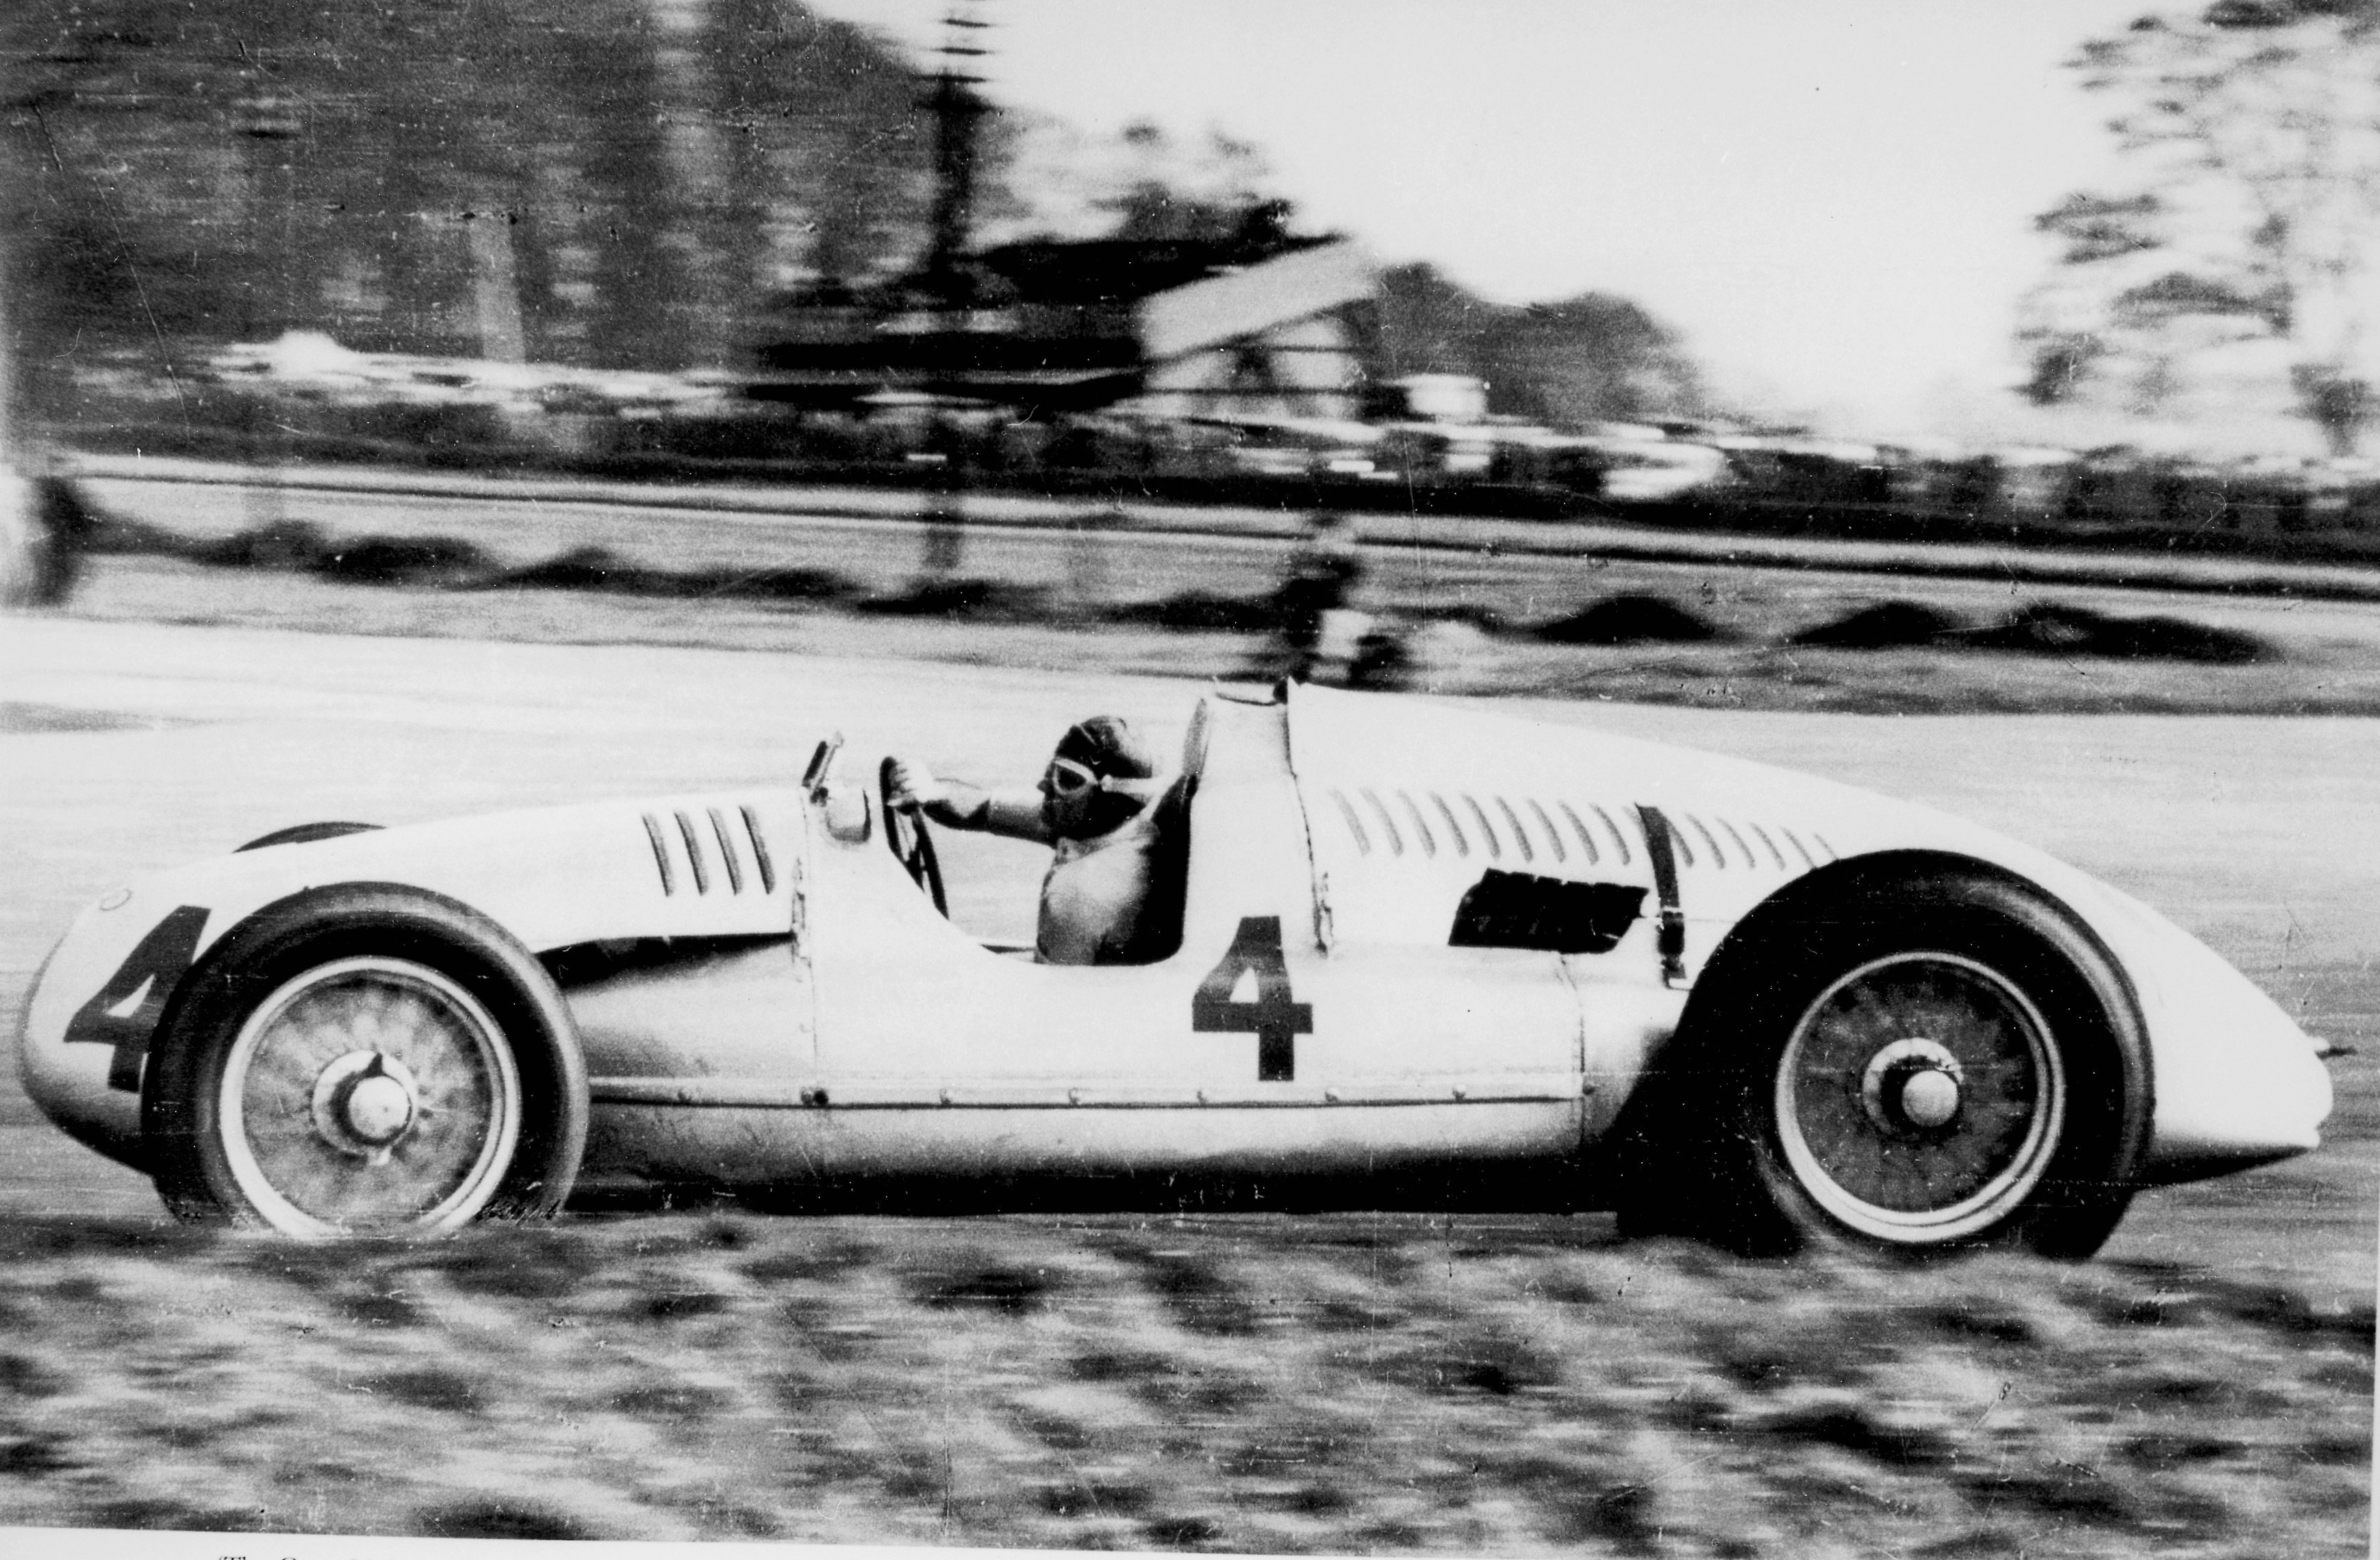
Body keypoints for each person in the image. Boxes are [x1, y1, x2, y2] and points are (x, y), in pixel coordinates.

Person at [884, 715, 1169, 966]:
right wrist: (929, 789)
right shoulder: (1109, 827)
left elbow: (1053, 999)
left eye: (1067, 780)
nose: (1044, 786)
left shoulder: (1079, 894)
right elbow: (981, 809)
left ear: (1110, 801)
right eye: (1052, 771)